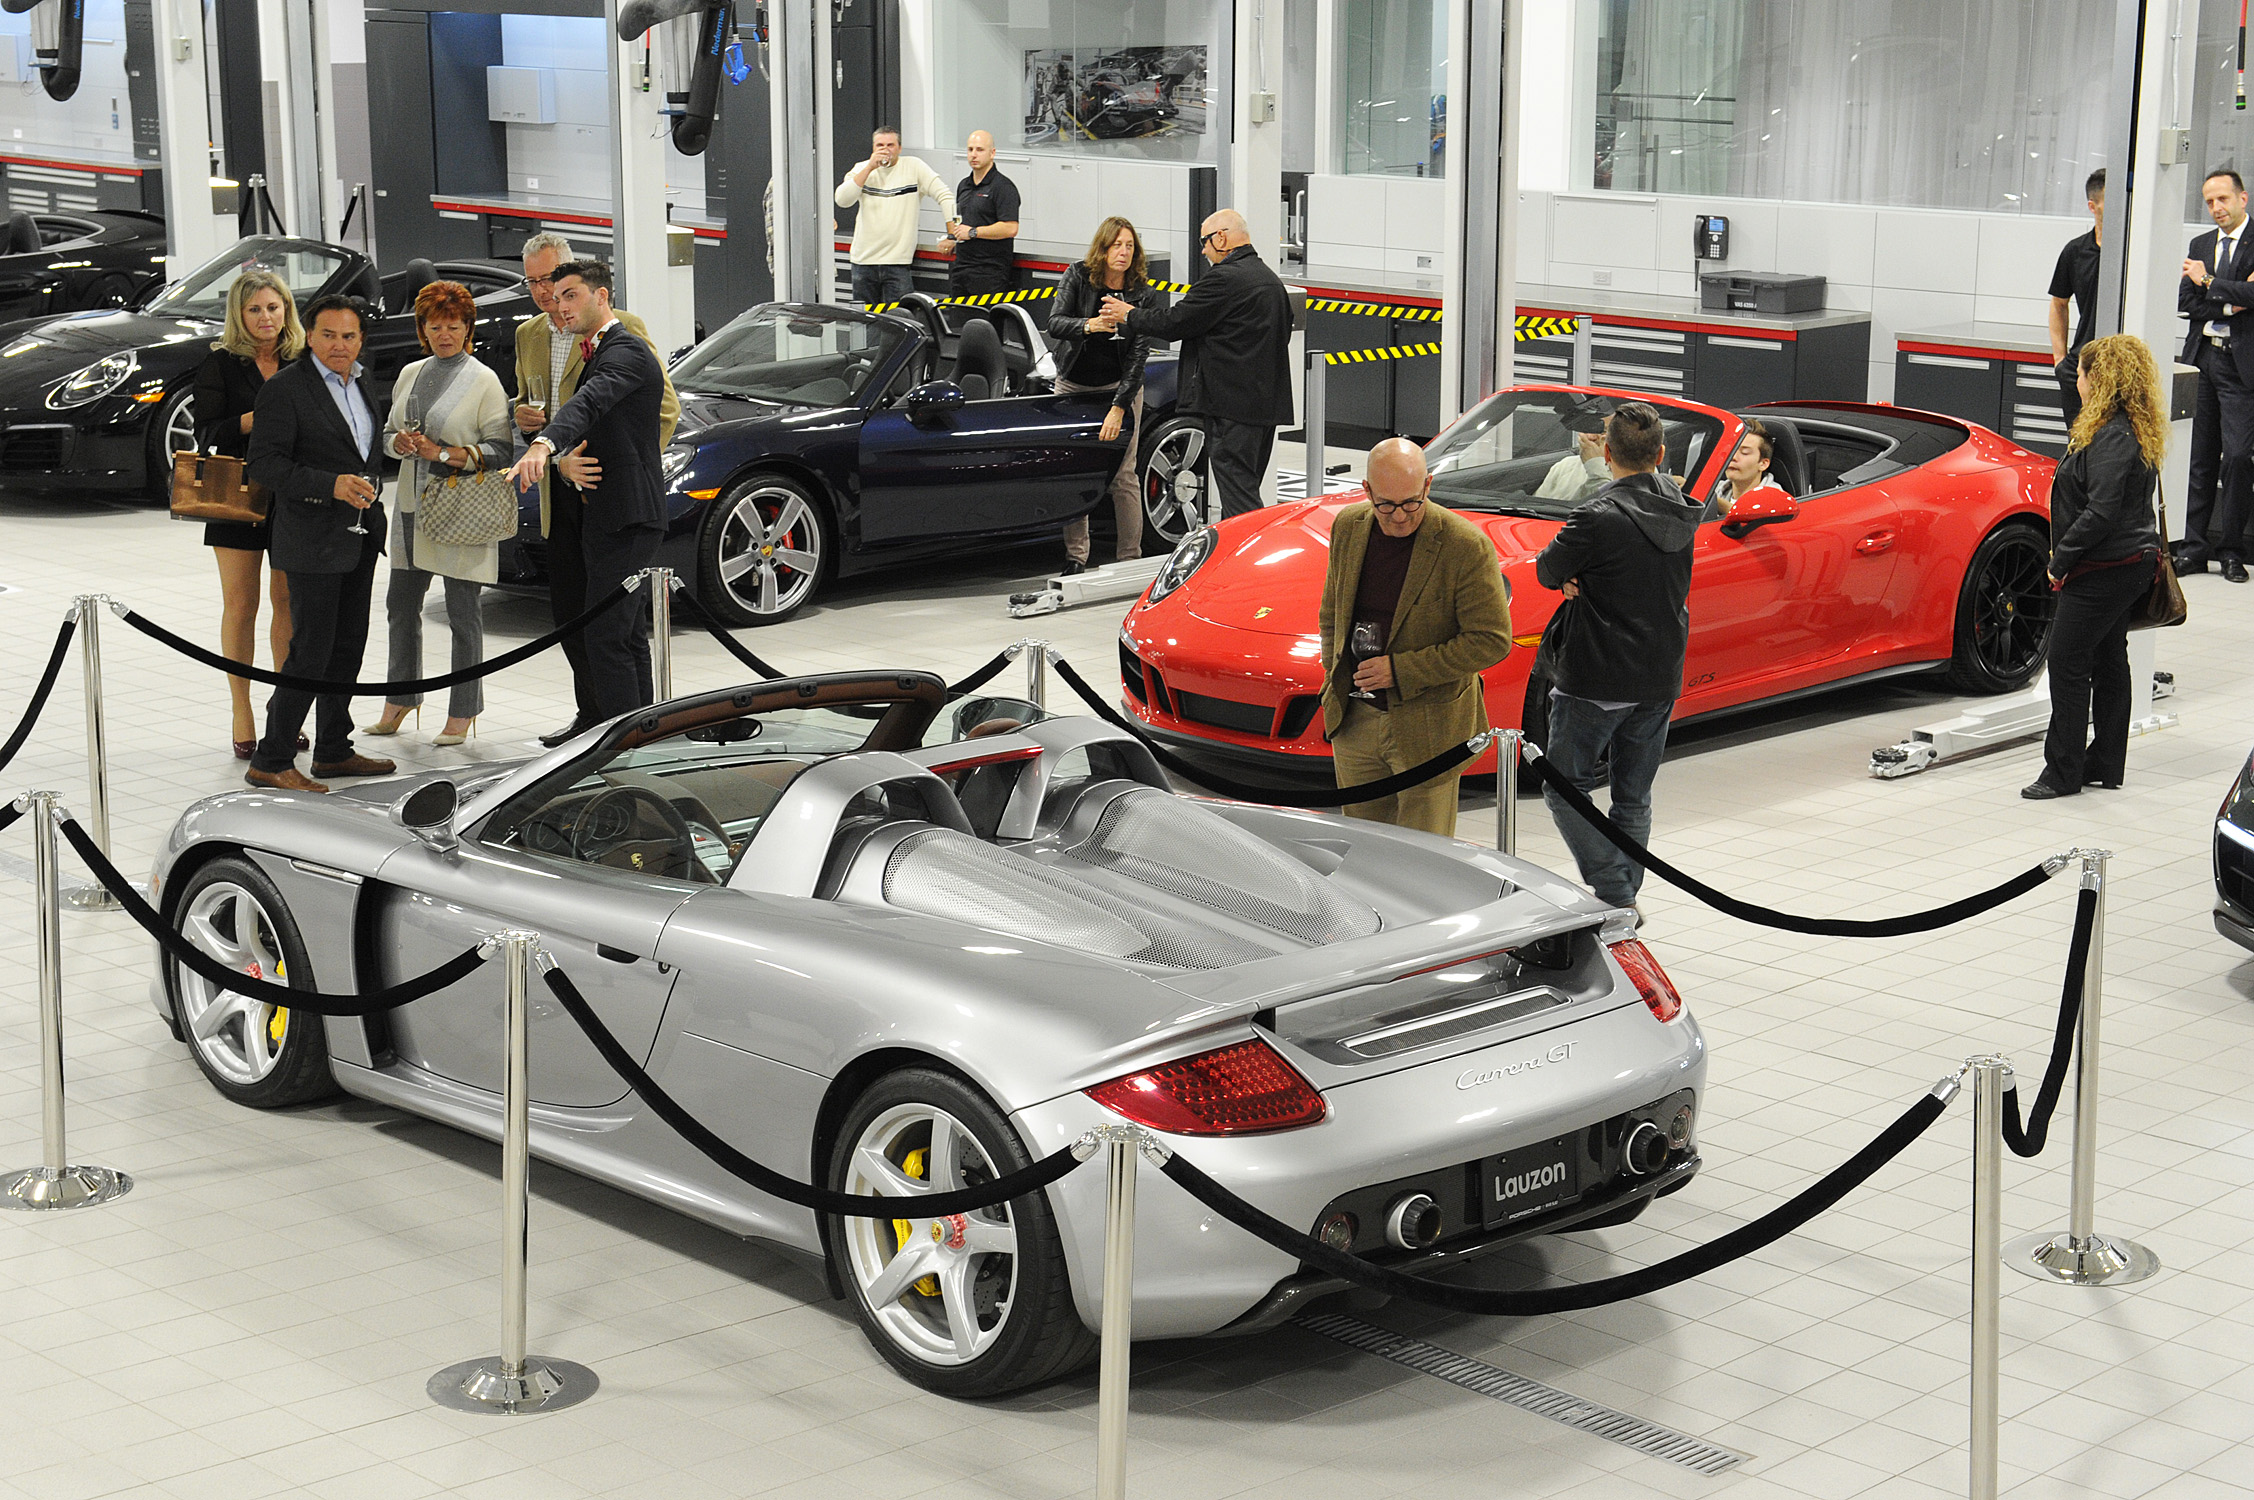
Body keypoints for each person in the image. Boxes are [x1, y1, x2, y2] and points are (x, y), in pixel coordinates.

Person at [1532, 401, 1704, 921]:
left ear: (1607, 453)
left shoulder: (1596, 516)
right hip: (1659, 673)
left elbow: (1546, 570)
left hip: (1596, 675)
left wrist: (1572, 581)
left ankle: (1614, 892)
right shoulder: (1681, 507)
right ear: (1662, 452)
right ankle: (1623, 894)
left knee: (1563, 788)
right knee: (1633, 795)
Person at [512, 234, 678, 746]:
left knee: (608, 632)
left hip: (619, 499)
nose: (553, 299)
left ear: (598, 294)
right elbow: (558, 403)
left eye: (564, 289)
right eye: (541, 286)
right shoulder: (534, 335)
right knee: (603, 627)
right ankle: (622, 730)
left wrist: (552, 446)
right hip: (574, 497)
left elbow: (599, 403)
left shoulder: (624, 341)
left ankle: (621, 744)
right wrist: (536, 436)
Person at [1317, 438, 1512, 837]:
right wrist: (1332, 672)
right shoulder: (1348, 527)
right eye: (1386, 504)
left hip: (1430, 728)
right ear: (1367, 491)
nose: (1400, 517)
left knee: (1425, 863)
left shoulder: (1464, 545)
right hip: (1356, 721)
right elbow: (1331, 612)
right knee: (1362, 852)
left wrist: (1400, 671)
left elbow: (1491, 639)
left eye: (1411, 503)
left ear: (1427, 486)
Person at [242, 294, 394, 793]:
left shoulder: (364, 379)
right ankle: (273, 757)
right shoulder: (286, 390)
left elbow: (363, 449)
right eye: (328, 335)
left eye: (349, 336)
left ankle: (333, 749)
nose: (339, 345)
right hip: (311, 539)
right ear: (310, 336)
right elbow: (264, 464)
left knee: (348, 645)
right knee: (310, 649)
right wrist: (329, 484)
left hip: (359, 534)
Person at [367, 281, 512, 747]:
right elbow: (388, 434)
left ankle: (464, 709)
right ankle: (401, 697)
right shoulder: (410, 373)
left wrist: (445, 453)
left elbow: (501, 449)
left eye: (453, 326)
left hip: (460, 511)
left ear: (467, 328)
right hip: (411, 507)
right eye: (435, 326)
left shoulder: (485, 380)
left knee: (462, 613)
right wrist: (400, 445)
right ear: (422, 330)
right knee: (399, 606)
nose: (445, 334)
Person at [2024, 335, 2165, 801]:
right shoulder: (2126, 429)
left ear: (2097, 380)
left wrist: (2059, 561)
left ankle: (2061, 773)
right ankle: (2104, 763)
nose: (2076, 381)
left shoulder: (2111, 437)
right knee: (2108, 659)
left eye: (2081, 373)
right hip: (2126, 564)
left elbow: (2100, 512)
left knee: (2066, 662)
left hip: (2102, 568)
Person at [1104, 208, 1294, 521]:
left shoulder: (1224, 279)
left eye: (1205, 241)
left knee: (1239, 498)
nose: (1203, 250)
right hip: (1264, 409)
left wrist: (1128, 314)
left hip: (1232, 408)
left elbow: (1175, 322)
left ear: (1222, 237)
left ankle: (1244, 564)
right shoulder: (1270, 280)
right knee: (1246, 486)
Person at [193, 270, 302, 760]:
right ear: (239, 313)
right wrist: (256, 419)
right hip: (234, 497)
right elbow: (206, 434)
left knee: (288, 604)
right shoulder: (219, 363)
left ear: (286, 311)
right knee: (241, 605)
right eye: (255, 309)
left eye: (273, 308)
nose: (266, 318)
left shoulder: (302, 359)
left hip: (291, 496)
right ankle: (242, 709)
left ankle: (285, 709)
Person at [1051, 215, 1156, 572]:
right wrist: (1088, 325)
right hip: (1073, 383)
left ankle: (1129, 559)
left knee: (1123, 475)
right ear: (1104, 247)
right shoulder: (1078, 275)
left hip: (1119, 387)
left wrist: (1119, 407)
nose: (1123, 253)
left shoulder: (1142, 292)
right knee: (1075, 467)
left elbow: (1139, 356)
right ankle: (1076, 556)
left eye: (1129, 246)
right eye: (1117, 245)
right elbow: (1055, 322)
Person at [2178, 168, 2254, 580]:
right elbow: (2187, 302)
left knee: (2239, 457)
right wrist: (2229, 303)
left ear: (2243, 199)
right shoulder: (2200, 243)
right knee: (2200, 458)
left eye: (2223, 199)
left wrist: (2207, 280)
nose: (2216, 208)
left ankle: (2231, 549)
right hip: (2203, 358)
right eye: (2209, 201)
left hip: (2242, 366)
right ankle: (2194, 548)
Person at [834, 127, 958, 307]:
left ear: (899, 148)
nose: (885, 150)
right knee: (863, 326)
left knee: (901, 322)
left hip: (897, 263)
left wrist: (952, 234)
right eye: (880, 145)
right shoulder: (862, 168)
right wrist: (870, 167)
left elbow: (945, 196)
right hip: (863, 262)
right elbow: (842, 199)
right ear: (873, 148)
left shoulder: (914, 167)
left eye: (890, 145)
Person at [2048, 168, 2104, 428]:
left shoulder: (2135, 251)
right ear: (2093, 206)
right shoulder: (2075, 251)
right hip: (2080, 364)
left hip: (2119, 368)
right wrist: (2060, 360)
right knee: (2078, 444)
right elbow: (2059, 303)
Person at [946, 130, 1021, 309]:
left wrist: (973, 232)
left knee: (986, 329)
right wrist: (951, 238)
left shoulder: (1003, 187)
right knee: (958, 329)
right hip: (961, 269)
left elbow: (1010, 228)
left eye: (979, 149)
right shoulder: (964, 185)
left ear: (992, 153)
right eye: (970, 149)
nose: (973, 154)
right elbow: (961, 221)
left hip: (990, 272)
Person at [1715, 418, 1787, 514]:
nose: (1733, 457)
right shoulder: (1718, 488)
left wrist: (1714, 502)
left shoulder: (1776, 499)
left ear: (1763, 464)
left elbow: (1749, 519)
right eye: (1731, 450)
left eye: (1745, 452)